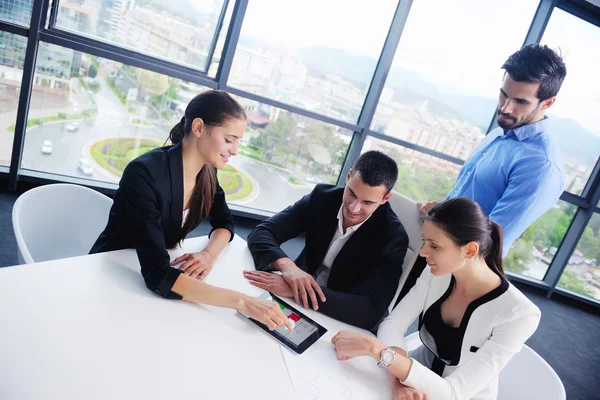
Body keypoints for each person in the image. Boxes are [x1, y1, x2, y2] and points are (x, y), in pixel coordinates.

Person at [90, 90, 291, 331]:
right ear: (198, 127)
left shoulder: (207, 171)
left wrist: (208, 254)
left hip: (153, 277)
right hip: (112, 272)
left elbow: (224, 224)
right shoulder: (144, 173)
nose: (235, 150)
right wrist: (241, 301)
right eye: (229, 140)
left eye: (238, 141)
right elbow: (157, 275)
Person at [331, 198, 541, 400]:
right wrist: (397, 378)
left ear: (470, 250)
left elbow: (454, 393)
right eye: (424, 241)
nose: (423, 253)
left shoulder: (520, 314)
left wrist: (379, 351)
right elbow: (394, 323)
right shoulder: (438, 272)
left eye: (434, 245)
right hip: (413, 377)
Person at [419, 44, 567, 257]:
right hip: (436, 252)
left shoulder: (541, 166)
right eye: (503, 94)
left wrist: (438, 226)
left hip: (462, 271)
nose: (506, 108)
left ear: (548, 103)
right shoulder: (499, 133)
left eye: (520, 102)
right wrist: (436, 215)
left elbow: (491, 241)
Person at [243, 151, 409, 330]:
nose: (354, 207)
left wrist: (298, 291)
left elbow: (370, 309)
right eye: (351, 194)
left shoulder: (393, 237)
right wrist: (289, 267)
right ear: (348, 176)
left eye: (367, 203)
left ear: (386, 198)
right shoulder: (322, 197)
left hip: (338, 315)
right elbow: (263, 232)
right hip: (294, 293)